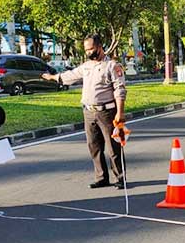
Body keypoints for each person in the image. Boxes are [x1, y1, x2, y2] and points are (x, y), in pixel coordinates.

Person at [43, 34, 126, 189]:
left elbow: (119, 90)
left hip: (107, 112)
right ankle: (101, 177)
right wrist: (53, 77)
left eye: (91, 49)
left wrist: (120, 113)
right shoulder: (86, 66)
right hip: (89, 112)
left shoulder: (112, 66)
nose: (88, 52)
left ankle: (120, 178)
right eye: (86, 50)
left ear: (100, 46)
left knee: (113, 147)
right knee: (93, 146)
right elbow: (71, 76)